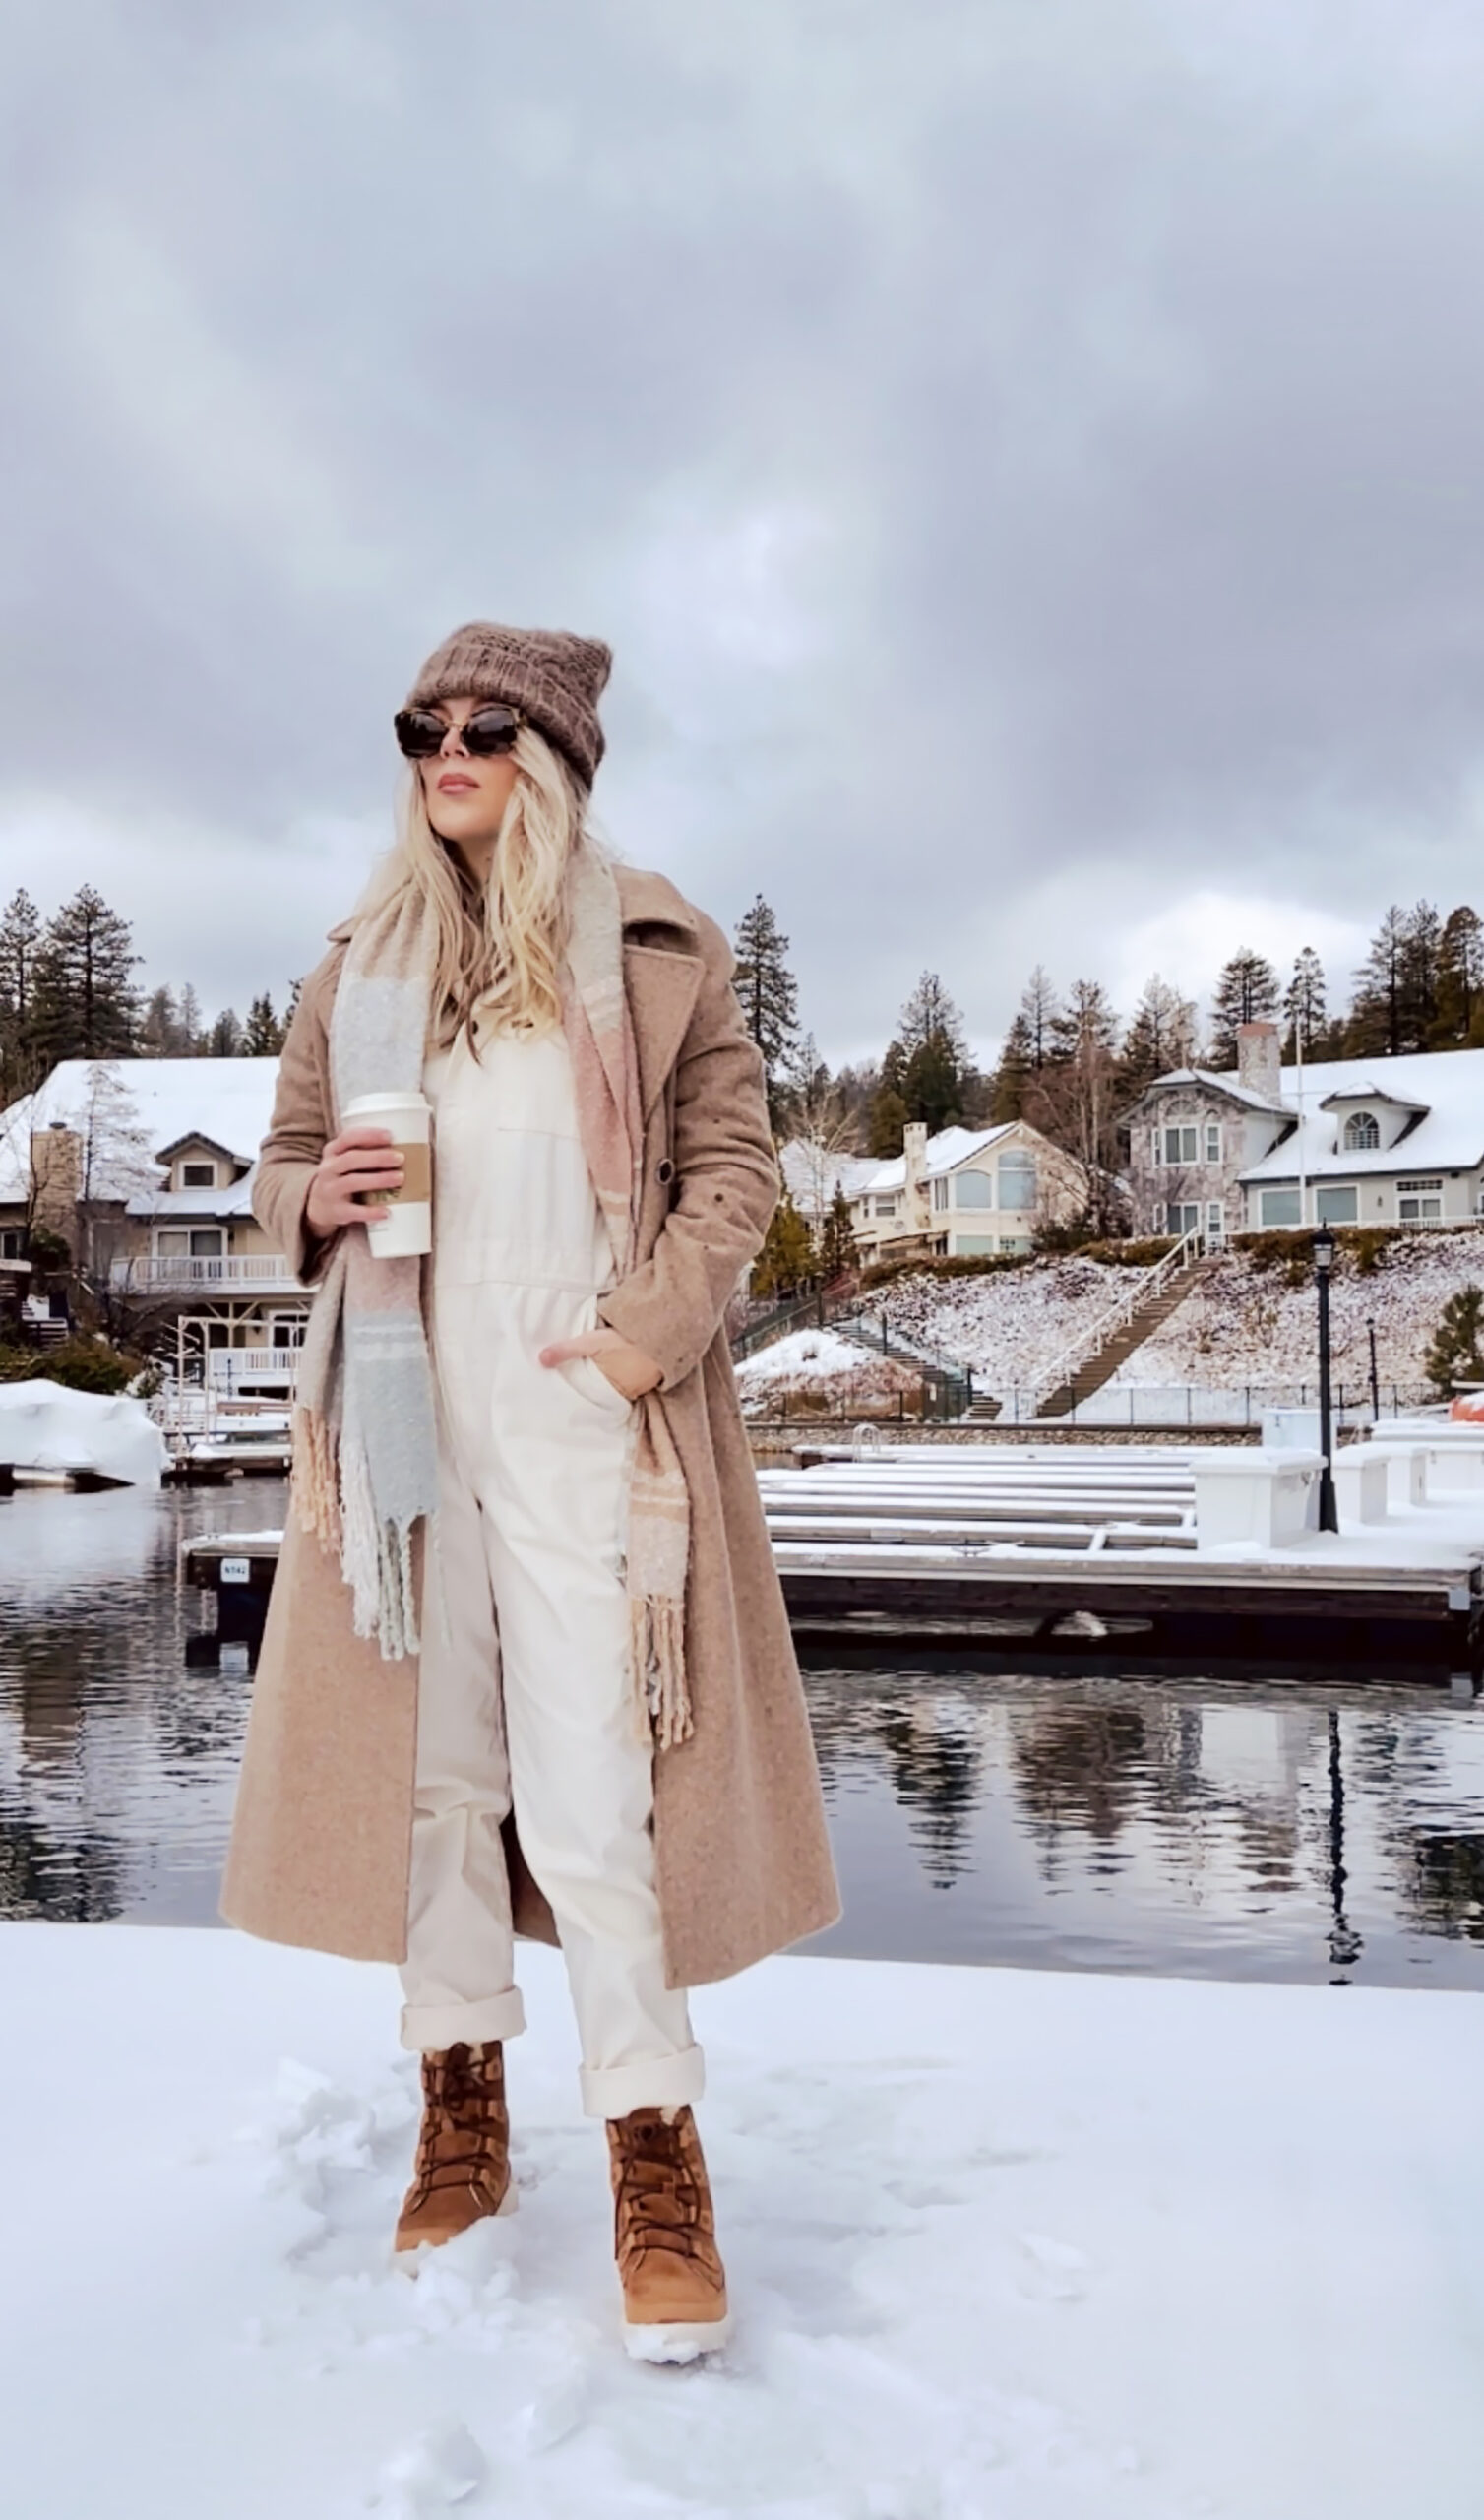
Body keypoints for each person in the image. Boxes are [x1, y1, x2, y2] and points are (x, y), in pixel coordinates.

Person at [222, 622, 839, 2361]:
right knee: (439, 1779)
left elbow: (736, 1165)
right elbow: (280, 1166)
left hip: (591, 1409)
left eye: (484, 725)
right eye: (422, 723)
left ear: (554, 756)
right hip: (406, 1420)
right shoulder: (359, 962)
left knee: (595, 1797)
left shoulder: (655, 945)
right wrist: (315, 1199)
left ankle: (655, 2146)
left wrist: (649, 1331)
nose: (446, 747)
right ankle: (461, 2102)